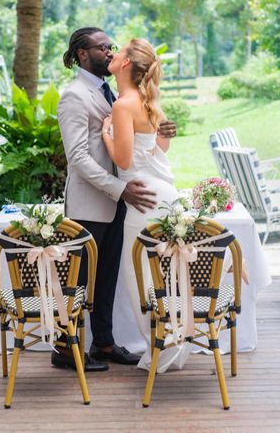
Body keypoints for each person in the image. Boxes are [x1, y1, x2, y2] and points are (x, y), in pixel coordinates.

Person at [57, 27, 177, 372]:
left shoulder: (112, 92)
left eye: (112, 47)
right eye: (102, 47)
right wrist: (119, 188)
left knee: (107, 277)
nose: (109, 52)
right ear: (82, 54)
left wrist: (159, 131)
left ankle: (104, 343)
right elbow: (78, 158)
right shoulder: (75, 96)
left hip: (120, 200)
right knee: (81, 279)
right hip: (91, 202)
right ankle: (65, 349)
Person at [100, 38, 189, 373]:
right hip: (164, 194)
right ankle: (172, 345)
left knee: (143, 280)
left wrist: (106, 132)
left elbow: (123, 159)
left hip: (141, 201)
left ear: (126, 64)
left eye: (118, 51)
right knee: (167, 277)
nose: (113, 53)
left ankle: (160, 349)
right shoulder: (148, 100)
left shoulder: (123, 105)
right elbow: (161, 145)